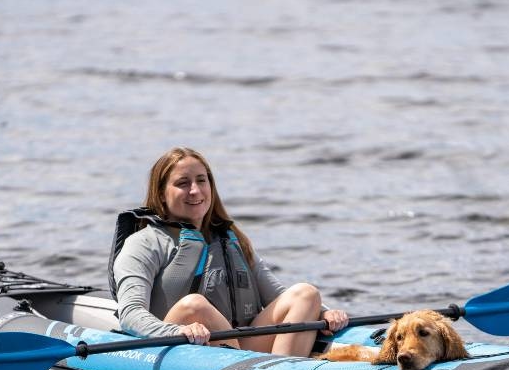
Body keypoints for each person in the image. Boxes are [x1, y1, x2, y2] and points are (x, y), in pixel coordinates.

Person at [110, 146, 348, 356]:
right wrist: (178, 330)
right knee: (195, 305)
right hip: (177, 347)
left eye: (201, 180)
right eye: (183, 183)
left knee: (306, 293)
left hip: (237, 346)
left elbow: (276, 295)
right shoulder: (144, 243)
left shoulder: (231, 238)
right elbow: (130, 314)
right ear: (161, 193)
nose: (195, 190)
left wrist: (323, 314)